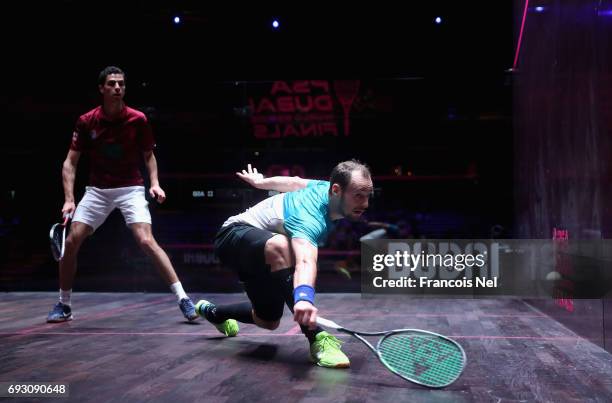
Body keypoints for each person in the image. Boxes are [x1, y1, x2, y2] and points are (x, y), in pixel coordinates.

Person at [46, 66, 197, 323]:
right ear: (102, 89)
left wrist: (155, 183)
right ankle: (64, 304)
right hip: (97, 191)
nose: (118, 88)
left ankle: (183, 298)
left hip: (131, 189)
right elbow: (70, 162)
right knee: (71, 242)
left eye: (121, 84)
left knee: (146, 241)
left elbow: (148, 154)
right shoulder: (86, 121)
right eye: (112, 84)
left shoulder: (138, 119)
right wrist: (69, 199)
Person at [196, 160, 373, 368]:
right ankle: (317, 340)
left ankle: (214, 313)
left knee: (268, 320)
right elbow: (305, 260)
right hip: (232, 236)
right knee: (282, 245)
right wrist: (304, 298)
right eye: (358, 195)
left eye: (368, 196)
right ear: (336, 190)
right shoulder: (309, 217)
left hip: (261, 252)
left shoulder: (322, 187)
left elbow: (292, 182)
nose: (365, 203)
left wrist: (261, 182)